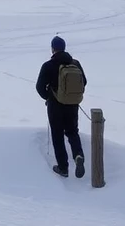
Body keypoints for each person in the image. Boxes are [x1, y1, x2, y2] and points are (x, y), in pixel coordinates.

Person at [36, 35, 87, 178]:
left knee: (57, 134)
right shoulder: (75, 64)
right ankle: (78, 155)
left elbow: (39, 87)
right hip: (72, 104)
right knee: (72, 132)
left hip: (55, 106)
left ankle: (63, 168)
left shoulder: (48, 65)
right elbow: (85, 81)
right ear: (64, 48)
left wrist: (49, 96)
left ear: (53, 49)